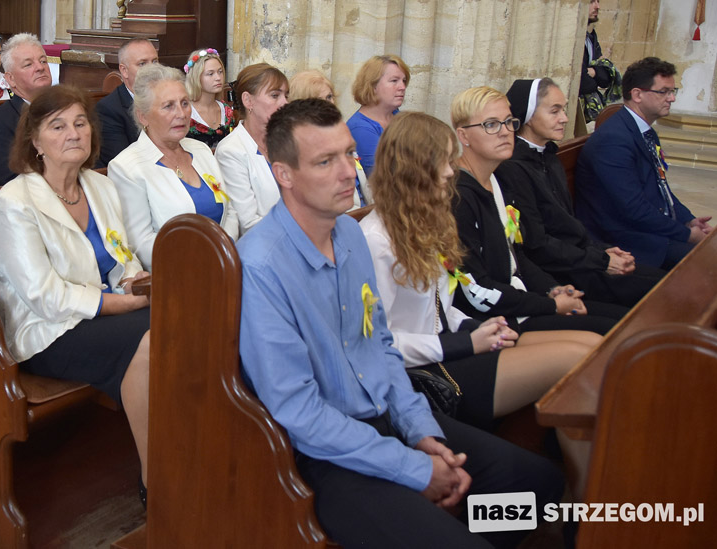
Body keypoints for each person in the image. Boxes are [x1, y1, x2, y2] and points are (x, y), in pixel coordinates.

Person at [238, 98, 563, 548]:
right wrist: (413, 468)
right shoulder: (261, 266)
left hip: (388, 416)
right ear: (284, 174)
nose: (348, 172)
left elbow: (380, 346)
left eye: (349, 153)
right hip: (327, 455)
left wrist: (420, 430)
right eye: (325, 161)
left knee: (532, 482)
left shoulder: (347, 233)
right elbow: (299, 412)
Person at [361, 112, 600, 440]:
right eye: (442, 161)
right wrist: (464, 342)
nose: (451, 171)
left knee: (594, 347)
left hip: (451, 346)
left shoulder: (423, 221)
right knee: (580, 358)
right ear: (412, 168)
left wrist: (476, 327)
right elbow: (379, 344)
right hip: (422, 373)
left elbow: (437, 309)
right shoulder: (375, 240)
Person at [0, 85, 150, 502]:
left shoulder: (99, 186)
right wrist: (125, 302)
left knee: (181, 319)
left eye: (80, 123)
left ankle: (188, 447)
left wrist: (137, 282)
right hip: (48, 332)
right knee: (154, 335)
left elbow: (123, 258)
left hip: (107, 315)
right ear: (35, 141)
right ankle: (158, 478)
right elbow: (45, 297)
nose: (74, 133)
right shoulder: (15, 202)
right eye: (58, 126)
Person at [450, 87, 626, 334]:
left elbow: (516, 254)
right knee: (612, 331)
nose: (505, 132)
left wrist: (552, 289)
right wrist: (551, 305)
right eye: (491, 124)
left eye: (508, 122)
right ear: (463, 135)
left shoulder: (497, 179)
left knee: (625, 321)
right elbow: (477, 289)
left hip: (521, 297)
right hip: (493, 321)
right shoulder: (459, 196)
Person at [496, 78, 661, 306]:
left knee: (669, 283)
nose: (564, 118)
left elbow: (568, 225)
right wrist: (601, 260)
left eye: (563, 110)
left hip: (581, 258)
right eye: (555, 111)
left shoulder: (548, 156)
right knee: (663, 294)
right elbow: (538, 244)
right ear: (529, 116)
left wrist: (602, 251)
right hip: (562, 272)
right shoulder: (514, 168)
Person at [575, 57, 713, 270]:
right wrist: (687, 235)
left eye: (673, 91)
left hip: (646, 230)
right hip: (626, 240)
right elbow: (632, 208)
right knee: (709, 263)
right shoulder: (614, 140)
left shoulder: (643, 131)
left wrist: (688, 220)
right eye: (664, 92)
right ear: (637, 94)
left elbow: (660, 187)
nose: (672, 98)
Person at [109, 64, 238, 268]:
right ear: (143, 116)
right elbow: (142, 244)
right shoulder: (127, 168)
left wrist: (224, 249)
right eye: (168, 106)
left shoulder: (201, 150)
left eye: (185, 103)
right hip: (177, 273)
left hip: (226, 264)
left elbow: (230, 211)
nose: (181, 113)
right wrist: (203, 257)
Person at [214, 63, 288, 234]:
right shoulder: (231, 151)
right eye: (275, 95)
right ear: (248, 101)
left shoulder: (286, 141)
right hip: (265, 243)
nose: (285, 103)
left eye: (286, 95)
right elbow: (248, 224)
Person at [0, 33, 54, 186]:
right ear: (10, 79)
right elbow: (4, 181)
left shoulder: (66, 109)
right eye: (28, 64)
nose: (40, 68)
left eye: (43, 61)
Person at [290, 69, 371, 206]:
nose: (328, 104)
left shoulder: (340, 133)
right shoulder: (299, 145)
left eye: (329, 97)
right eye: (318, 100)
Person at [95, 38, 158, 166]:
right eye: (142, 64)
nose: (152, 69)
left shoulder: (170, 99)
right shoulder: (108, 110)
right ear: (124, 70)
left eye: (155, 61)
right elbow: (123, 163)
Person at [346, 54, 409, 176]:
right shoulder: (360, 128)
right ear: (373, 86)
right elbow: (383, 176)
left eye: (404, 81)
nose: (402, 87)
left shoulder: (398, 116)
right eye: (394, 81)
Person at [579, 0, 622, 126]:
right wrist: (593, 77)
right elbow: (583, 82)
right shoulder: (574, 37)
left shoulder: (591, 37)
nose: (597, 6)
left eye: (598, 1)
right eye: (591, 1)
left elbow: (606, 77)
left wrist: (594, 72)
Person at [183, 48, 234, 149]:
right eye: (210, 74)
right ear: (196, 77)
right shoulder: (185, 112)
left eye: (220, 72)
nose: (218, 78)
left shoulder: (226, 111)